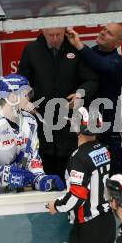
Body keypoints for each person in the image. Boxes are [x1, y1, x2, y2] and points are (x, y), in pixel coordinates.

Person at [18, 27, 98, 181]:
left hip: (70, 124)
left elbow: (92, 80)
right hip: (42, 121)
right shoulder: (32, 50)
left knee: (72, 174)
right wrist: (25, 99)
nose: (55, 38)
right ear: (42, 31)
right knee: (45, 174)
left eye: (58, 35)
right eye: (50, 35)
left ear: (65, 31)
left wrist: (81, 93)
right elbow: (23, 81)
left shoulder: (75, 48)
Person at [0, 74, 64, 196]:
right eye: (25, 94)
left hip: (14, 188)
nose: (29, 98)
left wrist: (41, 179)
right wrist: (8, 174)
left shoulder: (30, 122)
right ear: (12, 96)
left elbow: (32, 160)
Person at [47, 107, 115, 243]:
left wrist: (56, 205)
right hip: (107, 223)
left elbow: (77, 196)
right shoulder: (103, 149)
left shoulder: (78, 158)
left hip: (89, 227)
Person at [66, 23, 122, 175]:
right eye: (104, 30)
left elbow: (101, 65)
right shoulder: (89, 53)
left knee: (110, 175)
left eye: (109, 33)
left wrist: (79, 44)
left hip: (108, 128)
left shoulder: (117, 62)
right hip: (87, 123)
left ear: (117, 43)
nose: (103, 33)